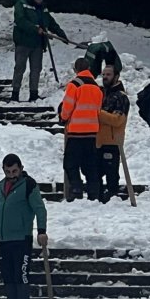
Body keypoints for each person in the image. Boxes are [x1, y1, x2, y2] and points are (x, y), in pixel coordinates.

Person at [0, 154, 48, 299]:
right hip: (4, 240)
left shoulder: (29, 185)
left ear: (21, 168)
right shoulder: (1, 187)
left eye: (14, 170)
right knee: (8, 276)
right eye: (8, 171)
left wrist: (41, 230)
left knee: (21, 275)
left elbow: (40, 209)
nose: (11, 174)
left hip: (21, 239)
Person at [10, 0, 68, 102]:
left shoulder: (42, 7)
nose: (40, 0)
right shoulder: (21, 4)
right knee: (20, 67)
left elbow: (50, 21)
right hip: (23, 41)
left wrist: (61, 33)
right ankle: (15, 93)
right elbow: (20, 21)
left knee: (36, 68)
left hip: (38, 43)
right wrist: (35, 29)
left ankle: (34, 93)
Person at [59, 58, 103, 201]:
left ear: (76, 70)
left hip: (76, 132)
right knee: (90, 164)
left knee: (70, 164)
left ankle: (76, 189)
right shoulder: (97, 87)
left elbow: (67, 107)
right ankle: (93, 192)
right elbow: (98, 109)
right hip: (92, 132)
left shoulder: (74, 85)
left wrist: (63, 118)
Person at [96, 65, 130, 203]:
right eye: (103, 74)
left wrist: (97, 113)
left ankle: (112, 199)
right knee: (95, 173)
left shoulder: (121, 97)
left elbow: (117, 120)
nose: (105, 77)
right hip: (97, 141)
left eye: (108, 74)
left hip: (112, 141)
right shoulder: (100, 93)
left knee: (111, 175)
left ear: (116, 76)